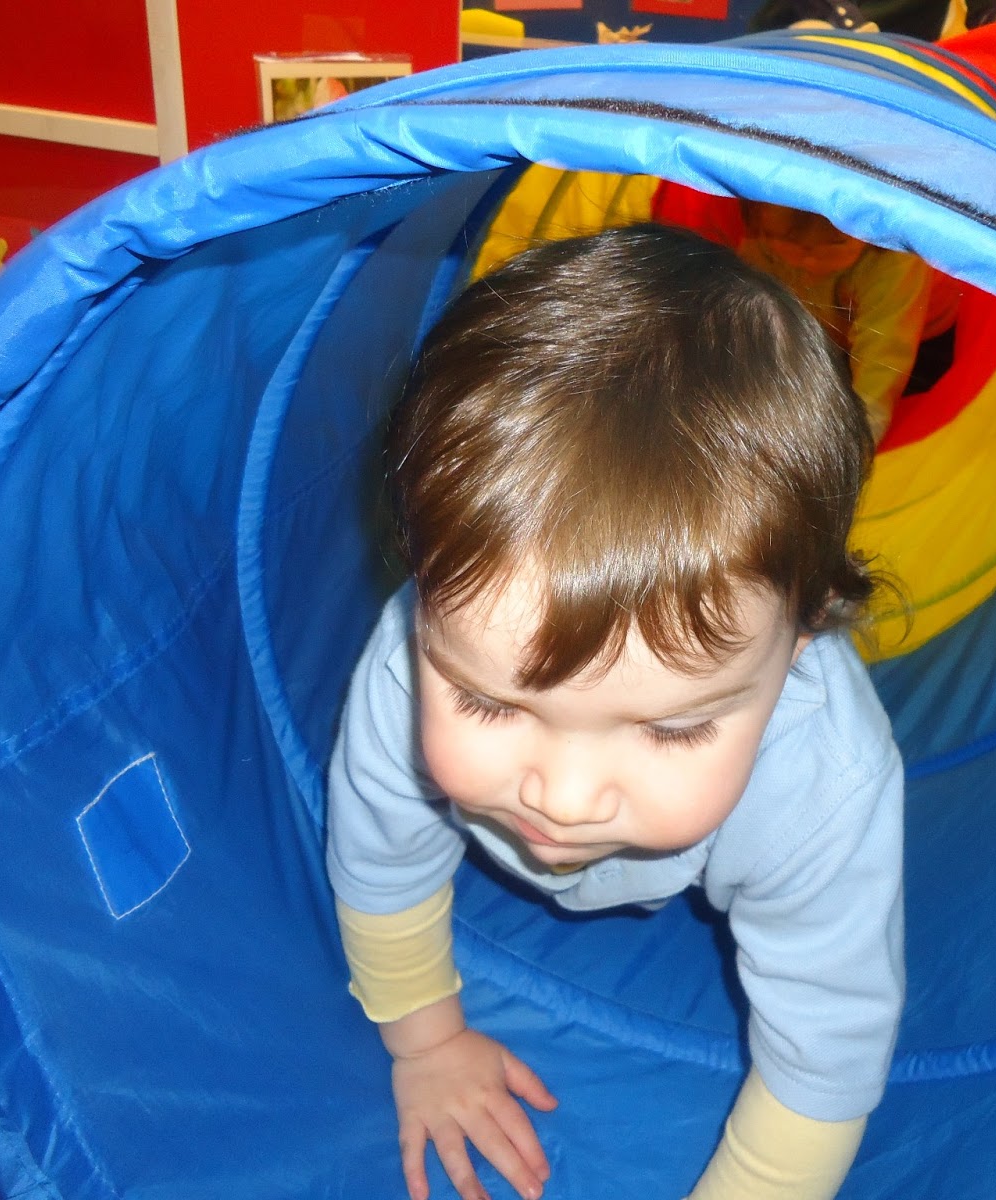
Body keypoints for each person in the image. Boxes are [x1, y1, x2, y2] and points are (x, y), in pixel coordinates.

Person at [326, 225, 906, 1200]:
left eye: (673, 727)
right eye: (487, 701)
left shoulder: (822, 778)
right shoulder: (412, 653)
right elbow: (379, 853)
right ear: (426, 596)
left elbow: (828, 1043)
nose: (564, 796)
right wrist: (424, 1042)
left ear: (802, 639)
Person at [736, 200, 932, 439]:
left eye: (835, 245)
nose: (810, 262)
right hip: (826, 331)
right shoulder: (762, 237)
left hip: (919, 337)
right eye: (790, 245)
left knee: (904, 406)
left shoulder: (894, 262)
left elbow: (881, 368)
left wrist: (854, 446)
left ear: (872, 232)